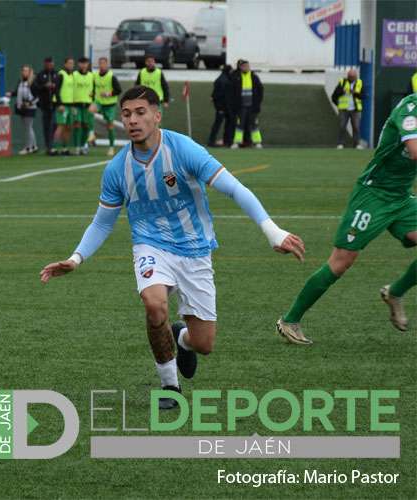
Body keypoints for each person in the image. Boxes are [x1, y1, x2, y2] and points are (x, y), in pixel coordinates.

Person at [40, 86, 304, 408]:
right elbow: (103, 222)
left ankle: (181, 339)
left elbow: (235, 189)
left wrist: (272, 231)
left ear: (156, 115)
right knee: (154, 305)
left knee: (204, 344)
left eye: (140, 112)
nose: (133, 120)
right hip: (151, 246)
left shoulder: (182, 150)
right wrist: (76, 258)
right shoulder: (116, 170)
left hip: (195, 250)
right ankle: (169, 387)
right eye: (126, 114)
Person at [277, 95, 417, 344]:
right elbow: (415, 151)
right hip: (373, 195)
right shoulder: (409, 110)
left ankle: (395, 293)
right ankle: (290, 320)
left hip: (401, 198)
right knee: (341, 262)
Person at [229, 59, 263, 149]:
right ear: (240, 67)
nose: (247, 68)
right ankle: (237, 142)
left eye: (248, 66)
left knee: (254, 124)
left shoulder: (254, 77)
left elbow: (260, 91)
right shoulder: (236, 77)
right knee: (240, 124)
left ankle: (257, 142)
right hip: (241, 106)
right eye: (245, 66)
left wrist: (257, 104)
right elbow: (232, 93)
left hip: (252, 106)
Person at [93, 56, 122, 156]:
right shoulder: (95, 76)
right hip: (98, 102)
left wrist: (108, 93)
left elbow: (118, 90)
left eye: (103, 63)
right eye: (100, 63)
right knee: (89, 111)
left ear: (107, 64)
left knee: (109, 125)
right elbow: (93, 88)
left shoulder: (111, 76)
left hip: (109, 104)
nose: (102, 65)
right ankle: (91, 133)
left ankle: (111, 147)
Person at [31, 57, 59, 155]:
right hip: (45, 104)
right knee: (47, 126)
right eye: (47, 64)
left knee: (54, 125)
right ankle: (49, 146)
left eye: (51, 64)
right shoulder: (41, 75)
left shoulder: (56, 74)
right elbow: (35, 87)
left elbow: (60, 87)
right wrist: (44, 86)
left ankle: (52, 145)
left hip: (55, 104)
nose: (49, 66)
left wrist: (54, 87)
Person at [331, 68, 364, 150]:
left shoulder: (359, 83)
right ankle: (340, 143)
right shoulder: (342, 83)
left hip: (355, 109)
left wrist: (355, 93)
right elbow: (334, 96)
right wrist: (343, 92)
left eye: (354, 76)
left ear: (356, 76)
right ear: (348, 76)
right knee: (342, 126)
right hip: (344, 109)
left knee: (356, 127)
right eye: (351, 76)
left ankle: (356, 144)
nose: (352, 78)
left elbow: (362, 96)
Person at [11, 64, 38, 155]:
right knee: (28, 127)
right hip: (21, 107)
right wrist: (10, 94)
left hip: (30, 107)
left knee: (28, 127)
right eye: (23, 70)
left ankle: (28, 147)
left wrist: (29, 103)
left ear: (30, 72)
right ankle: (34, 146)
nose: (24, 72)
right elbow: (17, 92)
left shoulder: (32, 82)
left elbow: (38, 97)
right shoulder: (21, 82)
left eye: (26, 70)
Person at [72, 57, 95, 155]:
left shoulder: (91, 76)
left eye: (85, 63)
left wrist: (93, 102)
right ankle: (77, 147)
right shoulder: (74, 75)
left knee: (86, 125)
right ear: (78, 64)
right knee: (77, 124)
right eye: (81, 63)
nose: (83, 65)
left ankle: (83, 146)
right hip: (76, 104)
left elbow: (95, 90)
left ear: (88, 64)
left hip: (87, 105)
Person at [53, 57, 75, 156]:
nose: (71, 65)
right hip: (62, 105)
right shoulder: (61, 75)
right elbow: (56, 90)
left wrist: (74, 106)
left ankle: (65, 148)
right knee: (60, 126)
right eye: (69, 63)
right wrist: (59, 104)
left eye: (72, 63)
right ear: (65, 64)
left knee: (68, 127)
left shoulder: (73, 75)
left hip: (70, 105)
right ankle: (54, 148)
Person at [207, 64, 233, 147]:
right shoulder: (224, 80)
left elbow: (214, 95)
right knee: (220, 124)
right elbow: (219, 96)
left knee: (219, 124)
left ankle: (215, 141)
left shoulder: (221, 79)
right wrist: (220, 108)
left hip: (223, 107)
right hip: (223, 107)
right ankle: (218, 141)